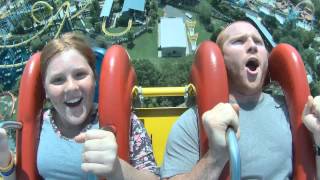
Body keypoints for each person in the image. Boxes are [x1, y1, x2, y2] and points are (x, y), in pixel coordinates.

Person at [160, 21, 320, 179]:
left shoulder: (294, 113)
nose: (252, 46)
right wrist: (215, 157)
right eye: (238, 41)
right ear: (221, 59)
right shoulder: (193, 122)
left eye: (258, 42)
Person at [0, 33, 159, 179]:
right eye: (58, 80)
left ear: (94, 79)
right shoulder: (36, 125)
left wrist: (118, 168)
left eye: (80, 75)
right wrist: (4, 160)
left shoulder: (127, 122)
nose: (71, 87)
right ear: (45, 90)